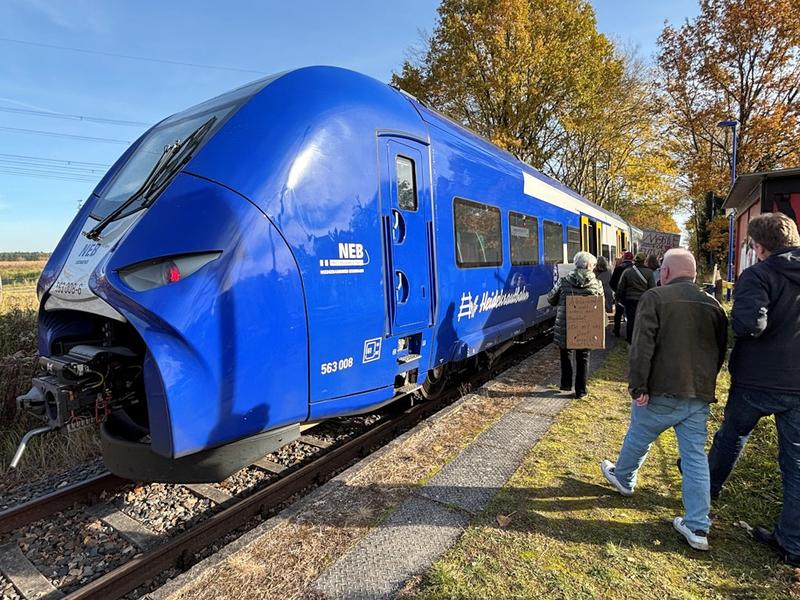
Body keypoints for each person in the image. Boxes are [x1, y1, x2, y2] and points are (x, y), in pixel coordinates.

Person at [600, 248, 728, 551]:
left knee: (640, 434)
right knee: (695, 458)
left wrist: (638, 386)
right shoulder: (714, 305)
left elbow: (642, 346)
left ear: (665, 273)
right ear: (693, 274)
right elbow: (720, 350)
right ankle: (697, 526)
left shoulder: (655, 298)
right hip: (698, 394)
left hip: (661, 389)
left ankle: (624, 478)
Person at [706, 212, 800, 566]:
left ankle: (706, 490)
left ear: (759, 247)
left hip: (757, 379)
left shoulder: (758, 275)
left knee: (732, 436)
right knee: (796, 462)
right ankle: (793, 542)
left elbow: (750, 325)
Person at [548, 251, 604, 399]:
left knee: (566, 353)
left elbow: (551, 299)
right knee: (583, 356)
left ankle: (566, 384)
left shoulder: (563, 281)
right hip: (586, 326)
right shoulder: (597, 284)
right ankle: (581, 391)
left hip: (566, 324)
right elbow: (600, 306)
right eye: (593, 265)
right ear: (588, 266)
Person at [616, 252, 656, 342]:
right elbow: (652, 288)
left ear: (635, 260)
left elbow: (620, 287)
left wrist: (618, 298)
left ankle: (630, 339)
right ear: (644, 261)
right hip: (643, 300)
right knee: (642, 319)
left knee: (630, 320)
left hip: (630, 299)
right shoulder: (649, 273)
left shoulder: (627, 271)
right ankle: (641, 338)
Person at [609, 251, 634, 337]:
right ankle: (629, 334)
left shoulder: (618, 268)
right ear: (632, 259)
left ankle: (616, 330)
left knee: (618, 314)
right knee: (630, 315)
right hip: (631, 295)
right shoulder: (634, 269)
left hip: (620, 295)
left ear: (623, 258)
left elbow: (612, 283)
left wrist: (616, 291)